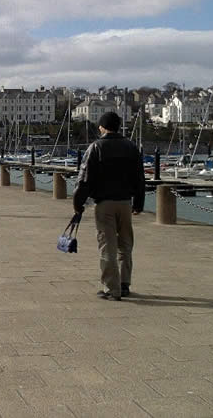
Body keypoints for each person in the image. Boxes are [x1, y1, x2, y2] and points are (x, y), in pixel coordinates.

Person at [73, 111, 145, 301]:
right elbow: (139, 178)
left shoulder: (96, 147)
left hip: (104, 203)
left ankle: (112, 288)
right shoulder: (131, 147)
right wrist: (139, 203)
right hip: (125, 202)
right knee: (125, 244)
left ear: (103, 127)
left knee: (107, 246)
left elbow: (84, 178)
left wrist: (78, 203)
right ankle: (124, 283)